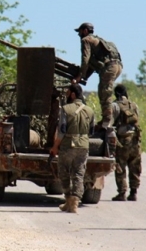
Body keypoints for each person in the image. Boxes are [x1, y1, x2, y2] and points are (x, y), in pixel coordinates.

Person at [50, 83, 94, 213]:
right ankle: (74, 204)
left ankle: (68, 199)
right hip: (83, 146)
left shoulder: (65, 109)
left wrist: (55, 147)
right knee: (79, 174)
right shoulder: (90, 110)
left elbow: (61, 131)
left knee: (64, 173)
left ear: (73, 95)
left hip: (68, 145)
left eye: (68, 93)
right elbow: (91, 131)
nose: (66, 96)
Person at [74, 22, 122, 130]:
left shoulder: (86, 40)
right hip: (117, 66)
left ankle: (107, 120)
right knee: (104, 91)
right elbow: (92, 63)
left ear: (85, 31)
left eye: (80, 32)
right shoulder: (98, 40)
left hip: (109, 67)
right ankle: (107, 118)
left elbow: (85, 61)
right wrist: (85, 77)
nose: (79, 35)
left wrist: (79, 76)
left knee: (104, 92)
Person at [110, 84, 142, 202]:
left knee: (120, 166)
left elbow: (110, 124)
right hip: (135, 141)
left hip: (122, 142)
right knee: (135, 166)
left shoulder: (115, 105)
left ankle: (122, 193)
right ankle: (133, 193)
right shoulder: (133, 105)